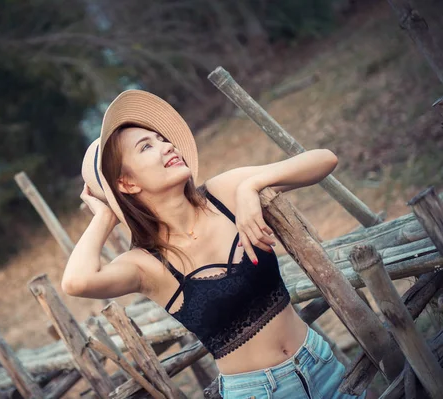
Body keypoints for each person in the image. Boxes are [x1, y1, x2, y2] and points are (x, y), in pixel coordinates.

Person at [62, 90, 369, 399]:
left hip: (320, 363)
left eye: (162, 139)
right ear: (128, 184)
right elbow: (76, 282)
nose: (167, 146)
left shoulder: (224, 194)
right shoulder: (146, 264)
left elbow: (323, 160)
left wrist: (252, 186)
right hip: (259, 394)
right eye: (147, 147)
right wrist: (105, 214)